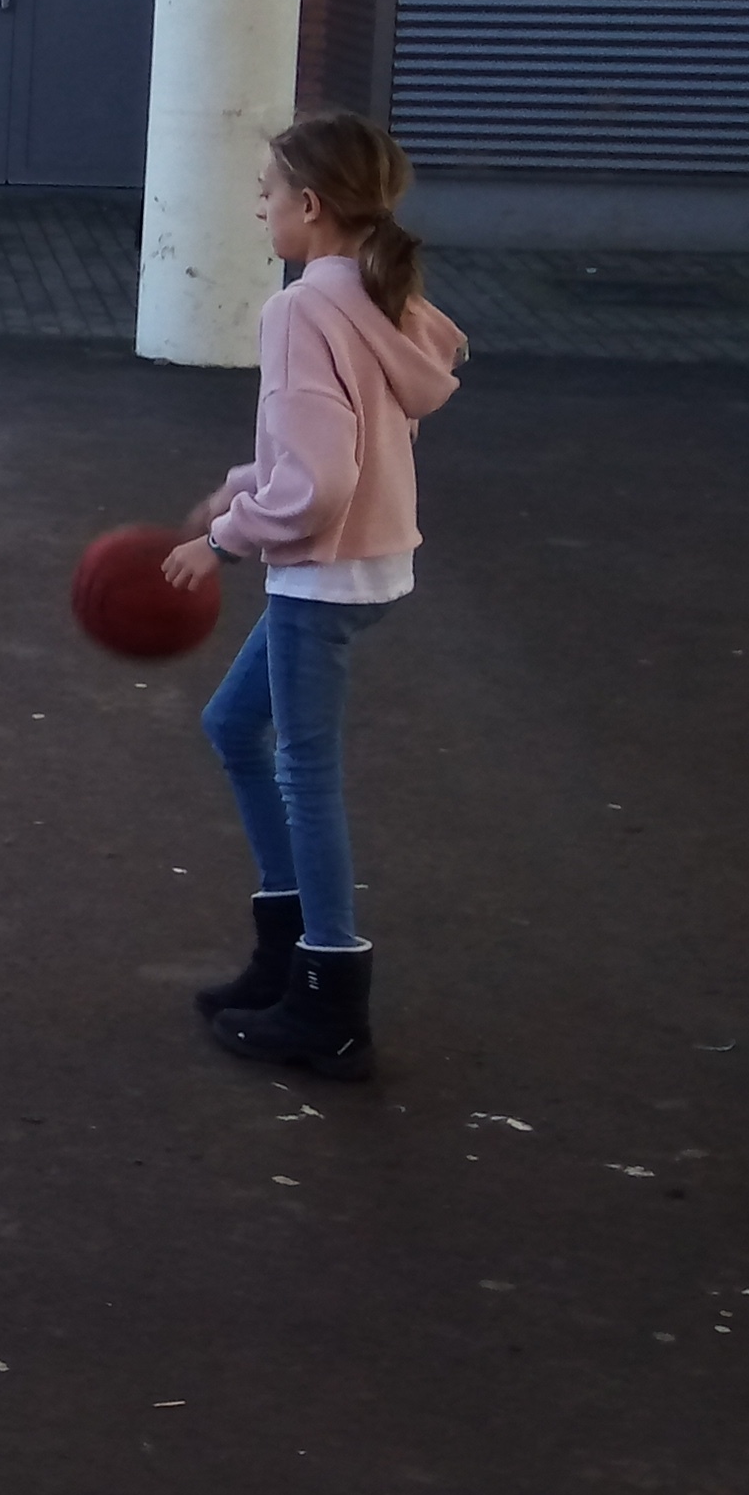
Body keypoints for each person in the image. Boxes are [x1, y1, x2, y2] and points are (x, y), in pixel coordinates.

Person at [168, 112, 463, 1082]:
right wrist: (241, 489)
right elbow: (334, 448)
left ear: (309, 204)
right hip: (369, 566)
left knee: (305, 772)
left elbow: (319, 483)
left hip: (322, 573)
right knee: (232, 726)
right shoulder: (376, 294)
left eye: (266, 191)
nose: (257, 206)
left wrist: (223, 538)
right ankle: (286, 956)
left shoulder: (300, 308)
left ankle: (329, 997)